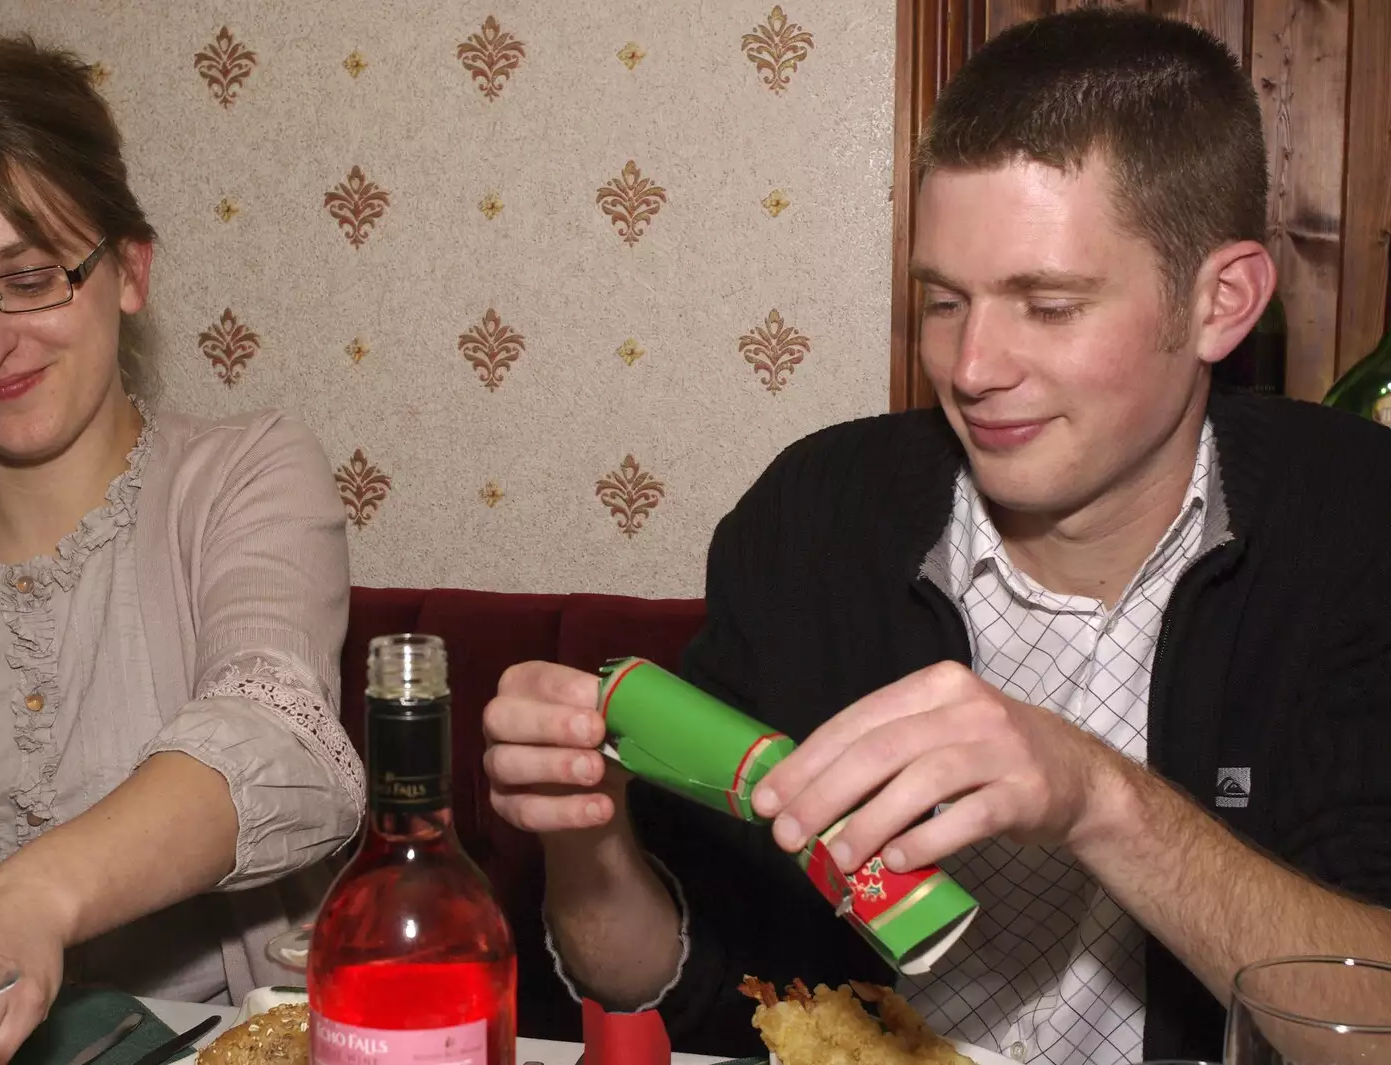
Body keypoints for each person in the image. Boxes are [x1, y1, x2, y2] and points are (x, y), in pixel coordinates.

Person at [484, 9, 1391, 1064]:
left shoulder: (1357, 529)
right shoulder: (815, 514)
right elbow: (667, 989)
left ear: (1220, 303)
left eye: (1046, 305)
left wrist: (1099, 798)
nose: (971, 366)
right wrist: (585, 836)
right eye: (943, 301)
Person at [0, 37, 364, 1065]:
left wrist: (28, 901)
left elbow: (280, 744)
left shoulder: (249, 475)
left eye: (28, 276)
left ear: (129, 270)